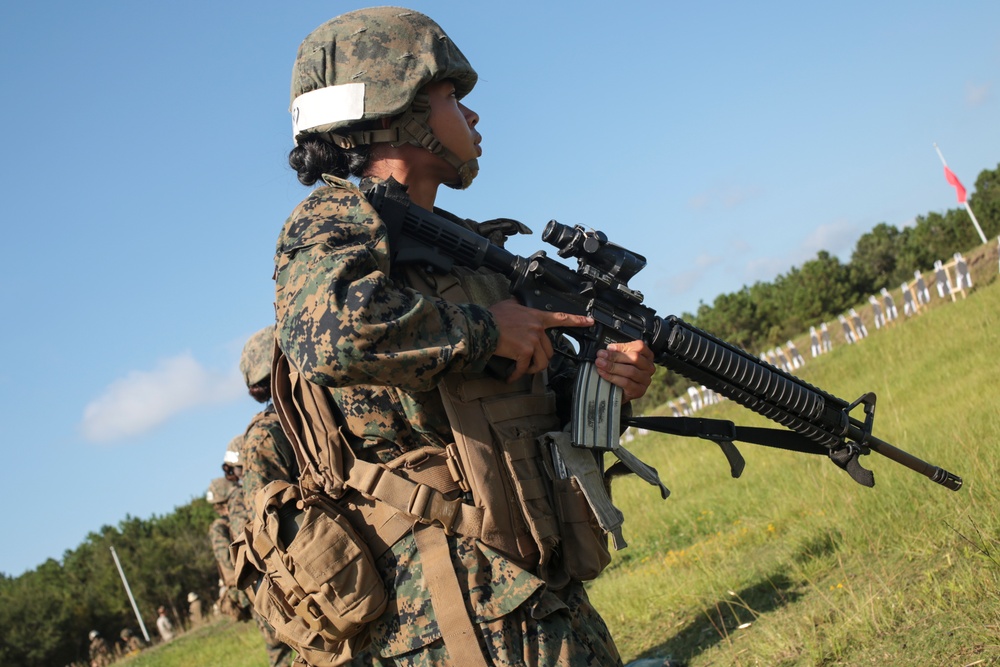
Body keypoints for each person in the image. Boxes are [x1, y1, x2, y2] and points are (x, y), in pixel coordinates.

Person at [268, 7, 656, 666]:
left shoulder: (476, 253)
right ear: (397, 110)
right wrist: (483, 331)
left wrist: (610, 386)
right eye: (451, 97)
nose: (472, 116)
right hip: (448, 614)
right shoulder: (333, 221)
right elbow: (328, 332)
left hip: (542, 591)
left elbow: (556, 420)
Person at [206, 477, 252, 622]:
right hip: (246, 584)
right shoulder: (221, 527)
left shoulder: (229, 522)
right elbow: (227, 558)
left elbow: (227, 558)